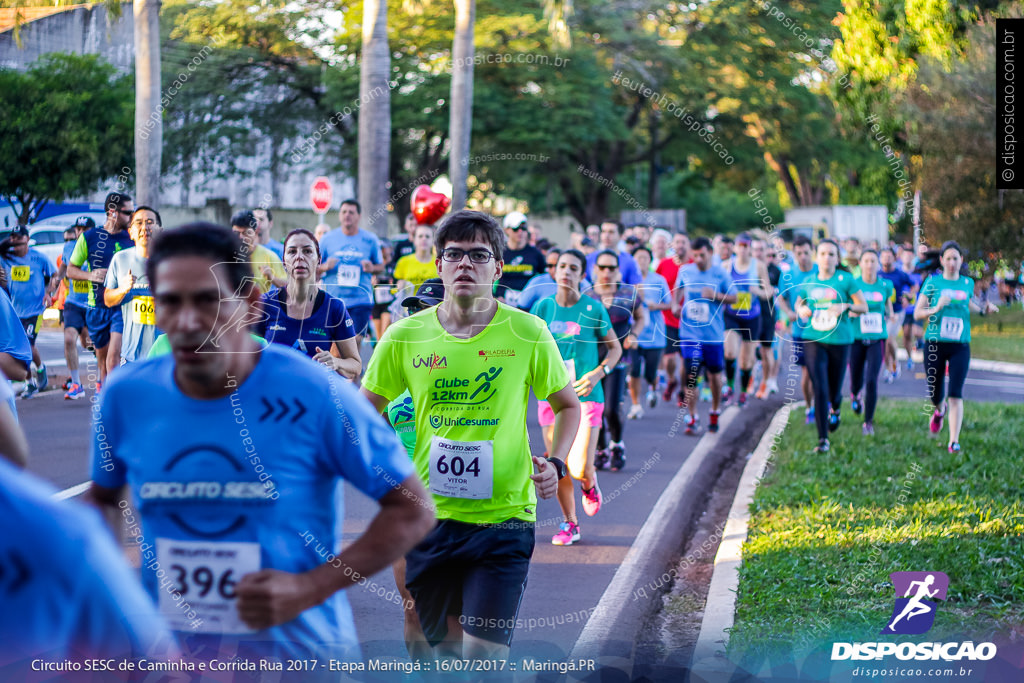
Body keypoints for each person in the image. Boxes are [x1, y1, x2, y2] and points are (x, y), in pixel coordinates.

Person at [86, 223, 434, 671]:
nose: (188, 321)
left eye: (208, 301)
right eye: (170, 302)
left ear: (249, 305)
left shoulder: (312, 393)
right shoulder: (126, 396)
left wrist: (310, 587)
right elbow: (101, 500)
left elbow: (412, 508)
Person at [360, 210, 580, 663]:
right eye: (454, 254)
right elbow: (363, 415)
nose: (465, 264)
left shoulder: (528, 332)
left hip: (504, 521)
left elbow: (568, 406)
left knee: (484, 658)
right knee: (440, 651)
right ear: (438, 264)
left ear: (498, 268)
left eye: (479, 255)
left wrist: (556, 463)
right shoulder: (403, 337)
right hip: (429, 521)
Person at [531, 248, 621, 546]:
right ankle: (570, 523)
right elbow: (529, 346)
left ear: (582, 275)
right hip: (551, 396)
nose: (566, 272)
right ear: (554, 272)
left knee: (580, 466)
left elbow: (615, 349)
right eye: (562, 266)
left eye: (573, 268)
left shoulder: (594, 309)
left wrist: (598, 373)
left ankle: (590, 480)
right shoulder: (543, 307)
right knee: (558, 463)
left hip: (586, 395)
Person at [914, 241, 997, 453]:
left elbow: (968, 303)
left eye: (956, 258)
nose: (952, 262)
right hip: (934, 344)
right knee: (935, 391)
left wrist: (982, 310)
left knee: (955, 392)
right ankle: (938, 411)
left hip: (960, 344)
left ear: (961, 260)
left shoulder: (967, 283)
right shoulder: (932, 283)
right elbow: (917, 313)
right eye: (948, 258)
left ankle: (953, 441)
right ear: (941, 260)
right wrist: (936, 307)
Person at [256, 229, 360, 380]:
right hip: (273, 397)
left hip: (314, 399)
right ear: (284, 261)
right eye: (292, 251)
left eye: (307, 251)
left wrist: (335, 362)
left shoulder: (334, 308)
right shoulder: (265, 304)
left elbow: (355, 365)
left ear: (318, 259)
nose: (299, 257)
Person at [794, 239, 868, 453]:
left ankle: (836, 408)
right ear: (817, 257)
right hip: (813, 338)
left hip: (840, 340)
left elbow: (862, 306)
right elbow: (799, 303)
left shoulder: (846, 280)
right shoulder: (809, 280)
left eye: (832, 254)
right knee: (820, 387)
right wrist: (802, 311)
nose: (827, 258)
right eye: (823, 254)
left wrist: (844, 306)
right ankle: (823, 440)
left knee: (835, 389)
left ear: (838, 258)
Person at [67, 193, 135, 387]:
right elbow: (71, 270)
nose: (131, 217)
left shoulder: (131, 237)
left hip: (121, 306)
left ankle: (114, 402)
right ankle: (105, 400)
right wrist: (91, 275)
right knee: (103, 363)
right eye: (128, 212)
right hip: (96, 307)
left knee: (113, 359)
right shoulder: (90, 237)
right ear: (112, 212)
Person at [585, 250, 645, 471]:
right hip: (590, 360)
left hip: (617, 358)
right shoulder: (587, 295)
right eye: (602, 267)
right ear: (595, 270)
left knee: (610, 408)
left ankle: (617, 444)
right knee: (594, 408)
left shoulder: (628, 293)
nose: (607, 272)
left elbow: (641, 316)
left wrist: (635, 335)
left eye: (611, 268)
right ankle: (600, 448)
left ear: (618, 271)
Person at [672, 237, 735, 435]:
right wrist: (675, 304)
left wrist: (716, 296)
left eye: (702, 255)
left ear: (710, 253)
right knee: (692, 375)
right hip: (690, 333)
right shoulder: (685, 271)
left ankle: (715, 411)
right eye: (695, 255)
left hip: (713, 335)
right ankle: (692, 417)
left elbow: (736, 298)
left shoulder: (720, 273)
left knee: (714, 377)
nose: (698, 259)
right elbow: (677, 290)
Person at [0, 224, 57, 398]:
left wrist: (49, 293)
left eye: (19, 238)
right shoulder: (6, 257)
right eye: (13, 239)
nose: (15, 243)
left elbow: (54, 276)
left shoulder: (39, 258)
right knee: (17, 350)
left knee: (29, 346)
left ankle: (40, 369)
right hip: (14, 312)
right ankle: (29, 383)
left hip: (34, 310)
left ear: (27, 240)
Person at [318, 199, 385, 345]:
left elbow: (381, 267)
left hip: (360, 300)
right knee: (335, 344)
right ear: (339, 215)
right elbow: (314, 269)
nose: (347, 215)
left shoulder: (370, 239)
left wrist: (372, 268)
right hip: (334, 300)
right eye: (344, 212)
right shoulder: (327, 239)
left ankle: (354, 367)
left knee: (354, 341)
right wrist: (324, 267)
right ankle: (339, 368)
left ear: (358, 216)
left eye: (351, 212)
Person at [103, 206, 163, 365]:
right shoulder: (120, 259)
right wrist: (123, 289)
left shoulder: (172, 262)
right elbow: (108, 300)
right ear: (131, 231)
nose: (145, 227)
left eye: (150, 222)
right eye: (139, 223)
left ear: (160, 230)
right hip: (131, 356)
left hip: (163, 355)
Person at [848, 249, 895, 436]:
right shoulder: (854, 285)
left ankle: (868, 422)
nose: (869, 265)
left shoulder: (885, 285)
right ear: (860, 263)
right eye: (866, 261)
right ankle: (855, 395)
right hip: (856, 338)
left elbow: (887, 304)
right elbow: (848, 306)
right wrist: (851, 312)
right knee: (856, 379)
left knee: (871, 380)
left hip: (877, 338)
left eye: (872, 261)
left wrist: (890, 314)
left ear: (878, 263)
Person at [722, 233, 770, 406]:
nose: (743, 249)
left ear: (750, 248)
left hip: (752, 317)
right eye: (740, 246)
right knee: (729, 352)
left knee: (746, 360)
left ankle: (743, 392)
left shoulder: (758, 266)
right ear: (734, 247)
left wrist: (757, 291)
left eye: (746, 246)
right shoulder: (727, 266)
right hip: (731, 315)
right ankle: (728, 386)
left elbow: (769, 292)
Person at [776, 236, 818, 424]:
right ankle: (810, 407)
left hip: (823, 330)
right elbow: (780, 298)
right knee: (807, 372)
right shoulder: (788, 274)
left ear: (812, 252)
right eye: (798, 253)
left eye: (806, 253)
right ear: (794, 253)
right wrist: (789, 313)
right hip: (800, 332)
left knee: (820, 371)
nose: (802, 257)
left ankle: (822, 405)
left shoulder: (820, 271)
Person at [627, 246, 671, 419]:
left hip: (654, 335)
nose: (641, 261)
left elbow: (669, 303)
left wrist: (656, 306)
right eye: (638, 258)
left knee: (650, 373)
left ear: (650, 261)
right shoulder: (629, 282)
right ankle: (636, 405)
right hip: (635, 334)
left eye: (645, 258)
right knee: (634, 371)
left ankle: (653, 387)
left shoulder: (659, 280)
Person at [56, 217, 93, 399]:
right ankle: (76, 383)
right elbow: (62, 269)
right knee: (70, 339)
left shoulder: (99, 247)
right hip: (73, 303)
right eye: (78, 228)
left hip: (94, 304)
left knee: (89, 344)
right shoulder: (69, 247)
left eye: (85, 228)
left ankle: (105, 369)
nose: (80, 232)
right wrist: (52, 289)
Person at [656, 232, 691, 403]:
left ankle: (684, 391)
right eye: (677, 242)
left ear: (689, 245)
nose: (680, 245)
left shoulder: (694, 265)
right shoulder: (664, 264)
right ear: (672, 245)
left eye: (683, 242)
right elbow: (655, 284)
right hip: (668, 318)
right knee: (669, 359)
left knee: (686, 360)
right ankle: (672, 380)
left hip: (689, 321)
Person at [878, 247, 915, 382]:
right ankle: (894, 364)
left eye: (889, 256)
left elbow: (913, 285)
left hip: (897, 312)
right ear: (880, 258)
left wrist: (908, 297)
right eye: (884, 256)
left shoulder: (900, 274)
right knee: (886, 341)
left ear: (894, 258)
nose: (886, 259)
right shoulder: (877, 275)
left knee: (888, 338)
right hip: (882, 314)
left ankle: (889, 368)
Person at [230, 209, 287, 294]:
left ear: (255, 231)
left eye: (246, 233)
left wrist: (271, 277)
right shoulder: (225, 255)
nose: (241, 237)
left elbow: (288, 287)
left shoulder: (269, 256)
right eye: (237, 233)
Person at [496, 211, 546, 307]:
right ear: (506, 230)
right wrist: (494, 297)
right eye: (515, 229)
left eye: (523, 228)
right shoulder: (499, 253)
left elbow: (544, 278)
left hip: (528, 306)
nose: (520, 232)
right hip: (502, 304)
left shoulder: (535, 254)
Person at [753, 239, 782, 397]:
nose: (758, 253)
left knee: (766, 350)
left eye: (761, 249)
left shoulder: (774, 271)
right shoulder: (747, 269)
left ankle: (768, 381)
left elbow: (776, 293)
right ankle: (754, 382)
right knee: (751, 350)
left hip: (767, 315)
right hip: (749, 315)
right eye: (755, 249)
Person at [586, 220, 642, 285]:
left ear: (621, 236)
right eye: (603, 231)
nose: (606, 235)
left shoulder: (630, 261)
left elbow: (638, 292)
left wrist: (619, 284)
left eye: (611, 232)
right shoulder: (589, 259)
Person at [393, 224, 437, 296]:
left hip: (434, 306)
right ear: (414, 240)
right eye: (420, 236)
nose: (424, 239)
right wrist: (399, 287)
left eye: (427, 236)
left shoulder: (439, 262)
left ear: (433, 240)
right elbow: (394, 290)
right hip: (410, 306)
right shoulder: (403, 262)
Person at [899, 246, 924, 371]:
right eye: (905, 256)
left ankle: (921, 341)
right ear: (901, 257)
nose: (908, 258)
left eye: (910, 256)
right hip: (904, 310)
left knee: (916, 331)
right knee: (906, 334)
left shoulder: (918, 274)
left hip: (916, 309)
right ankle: (910, 357)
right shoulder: (899, 273)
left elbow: (921, 290)